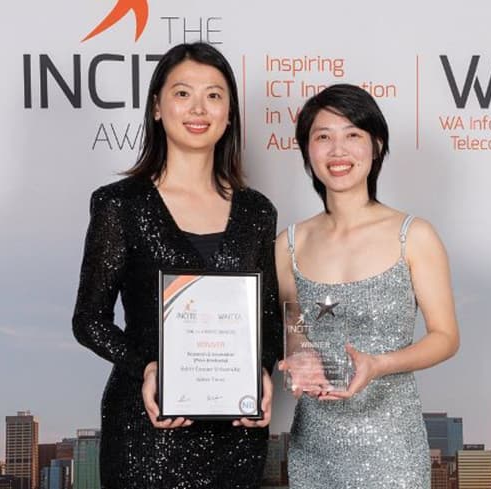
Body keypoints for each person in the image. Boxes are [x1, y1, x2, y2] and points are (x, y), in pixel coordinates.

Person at [72, 42, 281, 489]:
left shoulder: (257, 212)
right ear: (156, 108)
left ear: (230, 114)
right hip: (148, 425)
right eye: (183, 93)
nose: (198, 108)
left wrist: (263, 374)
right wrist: (146, 367)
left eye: (214, 94)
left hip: (236, 435)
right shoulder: (119, 205)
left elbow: (268, 321)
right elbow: (89, 320)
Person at [276, 84, 460, 488]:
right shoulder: (288, 244)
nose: (337, 150)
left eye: (352, 135)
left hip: (392, 447)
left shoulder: (413, 235)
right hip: (314, 449)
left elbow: (445, 337)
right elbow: (293, 324)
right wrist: (300, 353)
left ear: (376, 145)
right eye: (323, 136)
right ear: (308, 150)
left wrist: (380, 365)